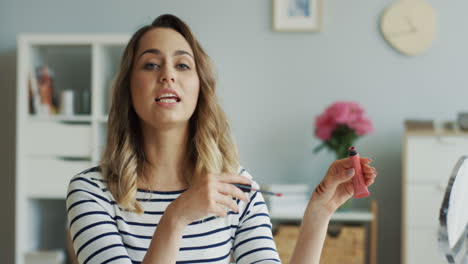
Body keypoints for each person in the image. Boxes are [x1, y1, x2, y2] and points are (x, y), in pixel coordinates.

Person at [66, 14, 377, 264]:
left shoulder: (235, 188)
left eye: (183, 65)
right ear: (127, 89)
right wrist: (176, 217)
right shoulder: (91, 192)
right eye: (151, 64)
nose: (168, 75)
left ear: (200, 89)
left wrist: (320, 211)